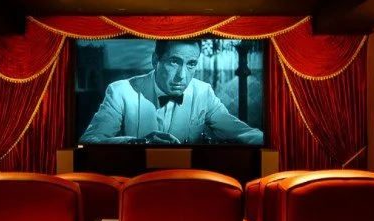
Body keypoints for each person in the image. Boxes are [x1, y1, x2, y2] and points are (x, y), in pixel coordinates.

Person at [80, 39, 264, 145]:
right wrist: (139, 142)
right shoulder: (121, 91)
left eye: (191, 64)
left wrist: (272, 144)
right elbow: (90, 139)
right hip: (136, 179)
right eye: (174, 62)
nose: (182, 76)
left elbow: (241, 132)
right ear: (155, 60)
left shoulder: (203, 92)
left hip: (186, 181)